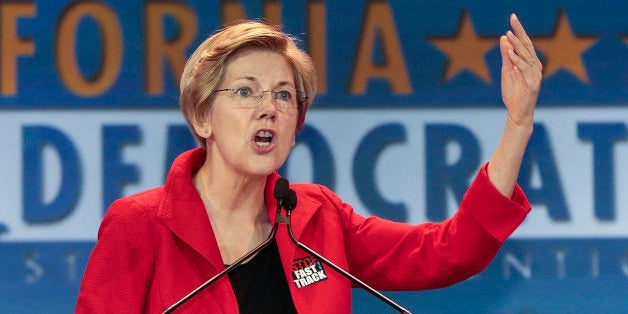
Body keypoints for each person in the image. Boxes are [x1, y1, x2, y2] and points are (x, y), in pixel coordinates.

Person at [76, 13, 541, 313]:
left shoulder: (315, 219)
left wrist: (517, 124)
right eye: (245, 91)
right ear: (201, 115)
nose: (269, 108)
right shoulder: (139, 225)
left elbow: (448, 252)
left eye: (284, 95)